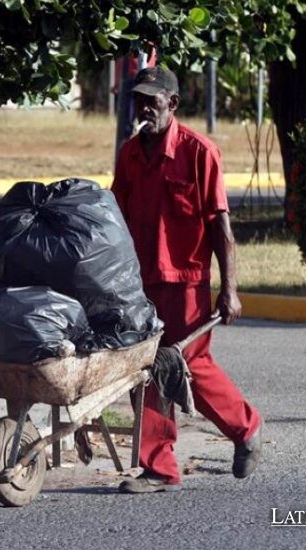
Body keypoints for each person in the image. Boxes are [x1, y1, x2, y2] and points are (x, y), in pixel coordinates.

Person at [111, 67, 263, 494]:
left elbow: (220, 228)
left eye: (152, 101)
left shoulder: (200, 152)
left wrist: (228, 288)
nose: (144, 109)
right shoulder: (129, 154)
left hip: (185, 283)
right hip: (139, 283)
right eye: (138, 100)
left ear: (172, 104)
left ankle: (246, 429)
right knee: (146, 368)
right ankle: (158, 466)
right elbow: (115, 219)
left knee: (189, 366)